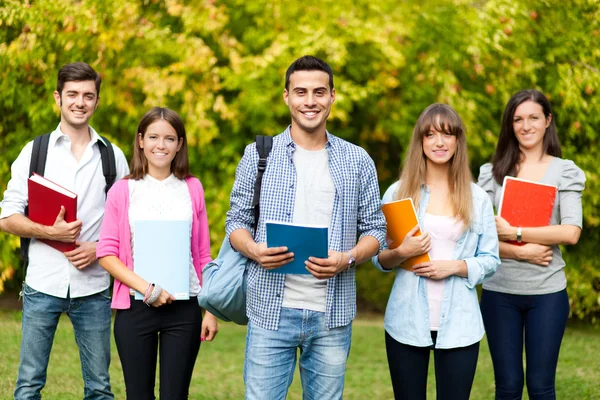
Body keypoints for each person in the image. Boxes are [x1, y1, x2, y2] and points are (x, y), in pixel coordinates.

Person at [225, 55, 386, 399]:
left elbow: (376, 228)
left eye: (319, 92)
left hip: (332, 314)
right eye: (300, 92)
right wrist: (254, 250)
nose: (309, 101)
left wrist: (347, 258)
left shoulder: (357, 159)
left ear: (332, 96)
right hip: (270, 310)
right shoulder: (258, 155)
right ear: (287, 96)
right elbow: (236, 222)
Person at [0, 62, 129, 399]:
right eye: (72, 94)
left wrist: (99, 248)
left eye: (88, 95)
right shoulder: (35, 151)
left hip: (94, 288)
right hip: (42, 282)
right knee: (28, 386)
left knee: (100, 388)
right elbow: (7, 216)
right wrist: (49, 231)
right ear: (58, 97)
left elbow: (129, 227)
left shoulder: (113, 158)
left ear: (97, 101)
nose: (80, 102)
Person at [372, 103, 500, 400]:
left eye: (447, 134)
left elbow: (491, 260)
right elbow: (380, 259)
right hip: (406, 320)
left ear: (458, 141)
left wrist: (453, 267)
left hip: (460, 324)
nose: (439, 142)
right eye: (430, 135)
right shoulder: (398, 193)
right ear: (420, 142)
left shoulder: (477, 197)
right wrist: (402, 250)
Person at [96, 107, 218, 399]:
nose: (160, 145)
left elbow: (203, 255)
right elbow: (106, 253)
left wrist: (212, 309)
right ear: (140, 141)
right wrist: (148, 289)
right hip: (136, 307)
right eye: (153, 137)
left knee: (175, 395)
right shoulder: (123, 191)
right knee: (138, 395)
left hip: (185, 308)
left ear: (180, 144)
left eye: (169, 138)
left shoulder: (193, 188)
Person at [477, 89, 585, 400]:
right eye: (518, 119)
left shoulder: (564, 171)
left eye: (534, 118)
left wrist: (517, 232)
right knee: (507, 386)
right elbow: (480, 236)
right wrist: (520, 251)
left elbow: (571, 232)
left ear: (548, 121)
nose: (526, 126)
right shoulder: (491, 173)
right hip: (500, 293)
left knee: (541, 386)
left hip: (547, 293)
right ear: (510, 125)